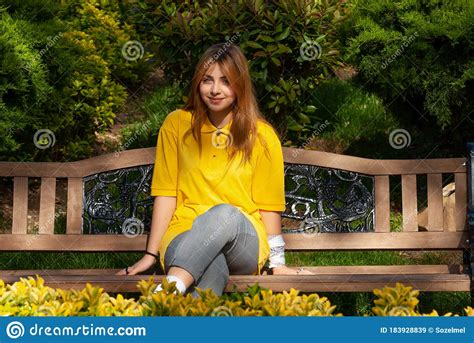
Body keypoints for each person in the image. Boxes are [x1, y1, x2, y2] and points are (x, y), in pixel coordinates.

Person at [116, 43, 313, 297]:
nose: (215, 90)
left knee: (225, 214)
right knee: (212, 265)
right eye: (207, 80)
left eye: (226, 81)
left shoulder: (261, 135)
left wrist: (278, 263)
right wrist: (150, 254)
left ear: (240, 85)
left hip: (242, 238)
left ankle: (166, 293)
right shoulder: (176, 124)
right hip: (184, 233)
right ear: (198, 83)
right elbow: (166, 193)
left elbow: (269, 204)